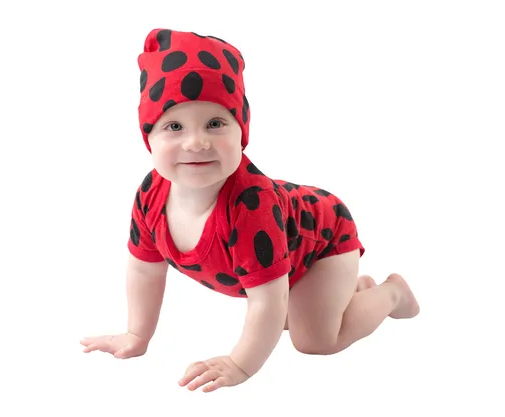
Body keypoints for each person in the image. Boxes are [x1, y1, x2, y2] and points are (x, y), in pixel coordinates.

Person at [80, 28, 419, 393]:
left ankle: (390, 293)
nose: (196, 142)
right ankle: (347, 292)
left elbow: (268, 299)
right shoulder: (151, 195)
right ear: (149, 137)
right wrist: (137, 334)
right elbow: (145, 272)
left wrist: (240, 364)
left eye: (215, 123)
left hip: (323, 240)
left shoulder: (250, 207)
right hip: (284, 263)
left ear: (241, 131)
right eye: (174, 126)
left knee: (313, 340)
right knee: (286, 318)